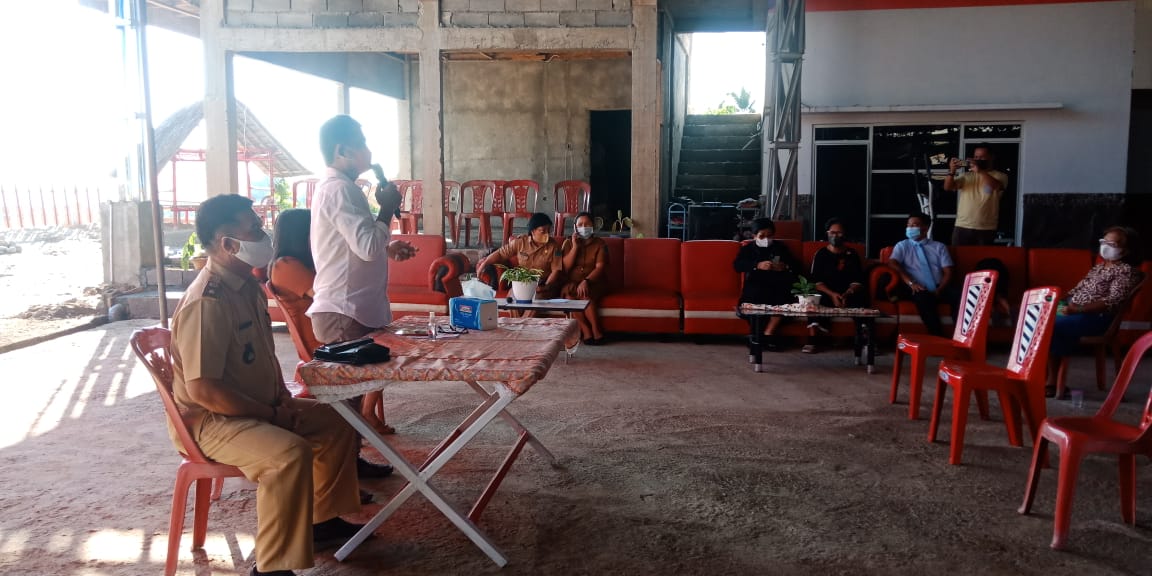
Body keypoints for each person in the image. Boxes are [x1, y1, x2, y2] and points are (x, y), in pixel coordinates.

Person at [170, 195, 363, 576]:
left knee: (338, 420)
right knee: (287, 455)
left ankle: (320, 521)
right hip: (211, 421)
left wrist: (281, 399)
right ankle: (272, 567)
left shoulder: (246, 286)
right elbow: (203, 391)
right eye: (254, 229)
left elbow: (263, 354)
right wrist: (272, 414)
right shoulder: (207, 302)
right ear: (228, 244)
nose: (263, 235)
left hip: (256, 405)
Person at [269, 209, 394, 441]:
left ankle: (364, 413)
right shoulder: (285, 266)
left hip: (330, 331)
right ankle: (362, 417)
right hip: (323, 338)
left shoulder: (307, 262)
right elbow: (328, 296)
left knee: (384, 342)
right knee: (378, 349)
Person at [308, 116, 416, 361]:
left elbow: (350, 244)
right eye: (361, 143)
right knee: (355, 384)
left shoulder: (340, 187)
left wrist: (386, 248)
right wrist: (387, 208)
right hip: (345, 312)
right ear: (342, 151)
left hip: (351, 311)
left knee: (368, 381)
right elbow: (368, 248)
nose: (367, 150)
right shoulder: (339, 189)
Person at [1046, 226, 1143, 398]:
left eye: (1112, 244)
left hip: (1097, 318)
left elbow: (1112, 301)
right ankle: (1045, 378)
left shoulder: (1126, 272)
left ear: (1126, 250)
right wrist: (1057, 302)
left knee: (1053, 326)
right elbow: (1076, 291)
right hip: (1074, 311)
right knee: (1040, 320)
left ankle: (1052, 382)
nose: (1105, 246)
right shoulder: (1099, 268)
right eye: (1103, 241)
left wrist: (1077, 309)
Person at [887, 212, 959, 337]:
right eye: (908, 225)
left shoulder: (939, 247)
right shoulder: (903, 245)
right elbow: (892, 263)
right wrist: (910, 282)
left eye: (914, 225)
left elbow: (948, 272)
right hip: (916, 287)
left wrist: (940, 289)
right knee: (924, 298)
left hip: (940, 287)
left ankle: (961, 334)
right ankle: (937, 337)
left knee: (961, 295)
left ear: (925, 228)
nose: (910, 228)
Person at [733, 218, 800, 350]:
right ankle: (757, 336)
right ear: (754, 236)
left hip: (777, 285)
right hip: (756, 285)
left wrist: (784, 266)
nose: (766, 239)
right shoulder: (748, 249)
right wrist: (757, 265)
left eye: (769, 236)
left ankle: (769, 333)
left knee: (783, 299)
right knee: (754, 299)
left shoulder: (780, 247)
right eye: (762, 236)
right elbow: (737, 265)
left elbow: (795, 265)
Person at [803, 218, 867, 354]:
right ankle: (812, 340)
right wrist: (832, 294)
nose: (835, 236)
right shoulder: (821, 254)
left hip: (847, 292)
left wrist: (848, 293)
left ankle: (866, 340)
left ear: (844, 234)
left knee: (862, 297)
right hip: (827, 292)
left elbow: (857, 280)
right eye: (832, 232)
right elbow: (816, 281)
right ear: (827, 233)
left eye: (839, 233)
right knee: (812, 298)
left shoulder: (852, 254)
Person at [478, 212, 564, 309]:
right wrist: (484, 263)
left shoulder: (555, 247)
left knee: (536, 300)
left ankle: (524, 318)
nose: (547, 234)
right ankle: (517, 319)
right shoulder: (520, 243)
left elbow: (556, 270)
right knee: (512, 297)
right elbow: (501, 253)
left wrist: (545, 286)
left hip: (544, 284)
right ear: (533, 231)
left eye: (549, 230)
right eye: (543, 231)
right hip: (523, 282)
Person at [560, 212, 609, 345]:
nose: (584, 227)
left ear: (593, 226)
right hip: (571, 283)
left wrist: (586, 281)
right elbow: (565, 268)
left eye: (587, 224)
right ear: (575, 227)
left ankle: (596, 330)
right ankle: (586, 330)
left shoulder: (600, 244)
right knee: (569, 297)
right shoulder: (568, 243)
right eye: (580, 225)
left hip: (593, 282)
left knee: (585, 296)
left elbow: (600, 267)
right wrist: (575, 247)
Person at [944, 144, 1008, 246]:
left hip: (986, 227)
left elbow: (994, 186)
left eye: (982, 157)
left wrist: (980, 171)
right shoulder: (966, 176)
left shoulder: (1000, 176)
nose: (978, 160)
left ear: (991, 157)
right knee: (959, 254)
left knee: (982, 255)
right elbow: (948, 187)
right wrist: (952, 171)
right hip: (962, 225)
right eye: (976, 157)